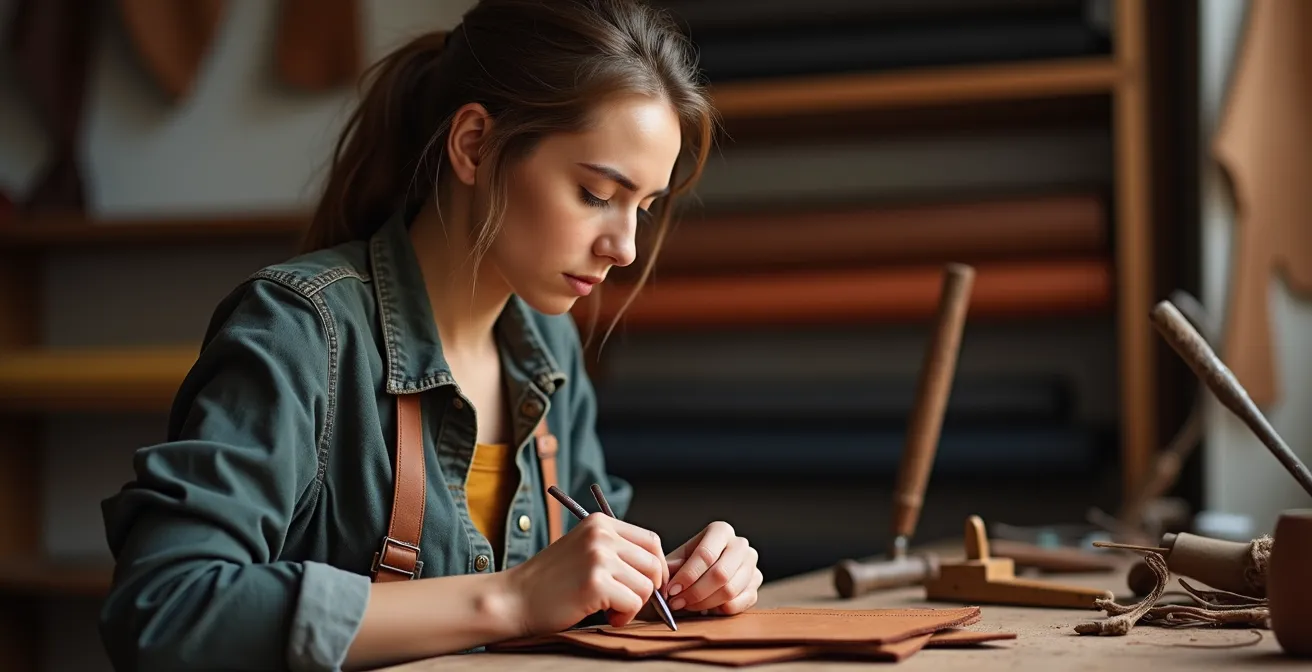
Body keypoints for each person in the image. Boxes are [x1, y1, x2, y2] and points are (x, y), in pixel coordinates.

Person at [97, 1, 762, 670]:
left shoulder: (549, 348)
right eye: (595, 193)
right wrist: (508, 599)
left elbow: (581, 591)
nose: (625, 247)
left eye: (644, 208)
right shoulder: (300, 331)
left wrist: (665, 583)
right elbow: (164, 605)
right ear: (474, 144)